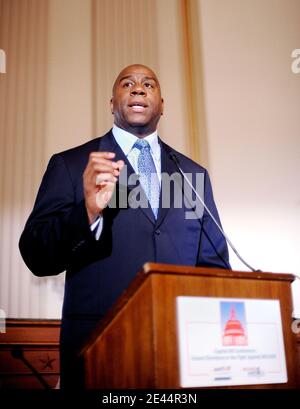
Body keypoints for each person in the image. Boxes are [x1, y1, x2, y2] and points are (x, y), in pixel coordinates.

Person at [19, 64, 230, 389]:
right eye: (127, 83)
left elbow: (215, 267)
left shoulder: (192, 175)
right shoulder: (72, 165)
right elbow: (36, 255)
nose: (138, 88)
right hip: (99, 352)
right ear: (112, 103)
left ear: (162, 104)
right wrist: (87, 210)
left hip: (182, 356)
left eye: (149, 84)